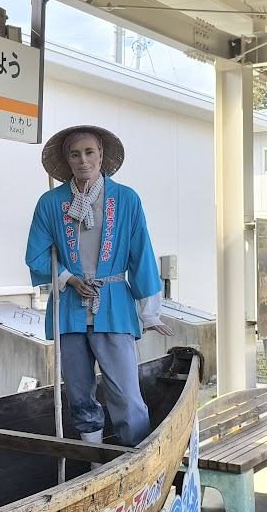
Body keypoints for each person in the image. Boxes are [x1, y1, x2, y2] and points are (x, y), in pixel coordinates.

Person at [25, 125, 173, 447]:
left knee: (126, 394)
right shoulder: (51, 203)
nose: (83, 161)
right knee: (78, 394)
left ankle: (137, 460)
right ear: (67, 160)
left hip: (114, 307)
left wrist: (150, 312)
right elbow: (37, 255)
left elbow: (141, 254)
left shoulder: (126, 200)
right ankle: (92, 462)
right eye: (75, 154)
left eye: (89, 152)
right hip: (69, 311)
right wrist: (69, 278)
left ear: (102, 155)